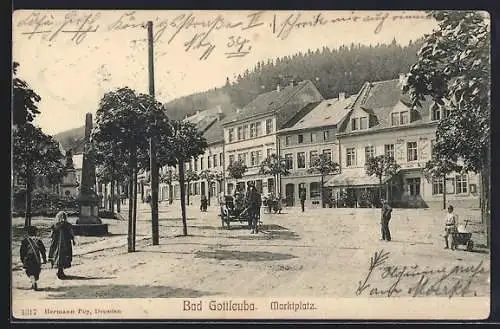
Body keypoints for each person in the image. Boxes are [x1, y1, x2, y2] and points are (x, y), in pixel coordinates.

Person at [48, 211, 76, 279]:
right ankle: (61, 271)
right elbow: (71, 233)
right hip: (65, 243)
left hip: (56, 244)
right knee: (64, 255)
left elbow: (51, 235)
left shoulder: (55, 225)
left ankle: (59, 271)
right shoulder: (68, 225)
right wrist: (73, 239)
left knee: (57, 255)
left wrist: (51, 239)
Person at [20, 226, 47, 291]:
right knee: (36, 271)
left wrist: (22, 259)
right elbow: (43, 251)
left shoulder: (25, 241)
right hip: (36, 259)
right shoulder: (38, 240)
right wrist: (44, 259)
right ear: (35, 233)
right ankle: (34, 282)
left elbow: (22, 251)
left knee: (29, 272)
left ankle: (33, 283)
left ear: (28, 233)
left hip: (28, 259)